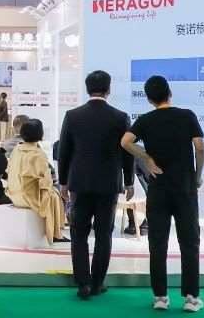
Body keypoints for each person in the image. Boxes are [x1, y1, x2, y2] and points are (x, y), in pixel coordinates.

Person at [122, 75, 204, 314]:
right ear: (169, 93)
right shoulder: (187, 115)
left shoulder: (145, 120)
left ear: (149, 99)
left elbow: (126, 142)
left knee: (157, 243)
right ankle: (191, 298)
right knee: (189, 242)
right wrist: (197, 175)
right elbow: (200, 147)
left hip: (158, 188)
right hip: (185, 187)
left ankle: (160, 296)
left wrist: (146, 158)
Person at [57, 70, 135, 299]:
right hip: (108, 183)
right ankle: (98, 283)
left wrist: (63, 182)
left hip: (79, 182)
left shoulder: (73, 116)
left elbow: (64, 152)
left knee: (78, 233)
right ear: (109, 89)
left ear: (87, 88)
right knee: (103, 234)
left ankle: (82, 283)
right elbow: (127, 153)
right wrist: (129, 181)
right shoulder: (120, 117)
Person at [6, 119, 67, 244]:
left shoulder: (17, 149)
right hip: (29, 198)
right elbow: (45, 181)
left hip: (13, 193)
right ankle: (56, 233)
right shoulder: (38, 153)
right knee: (54, 195)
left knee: (52, 193)